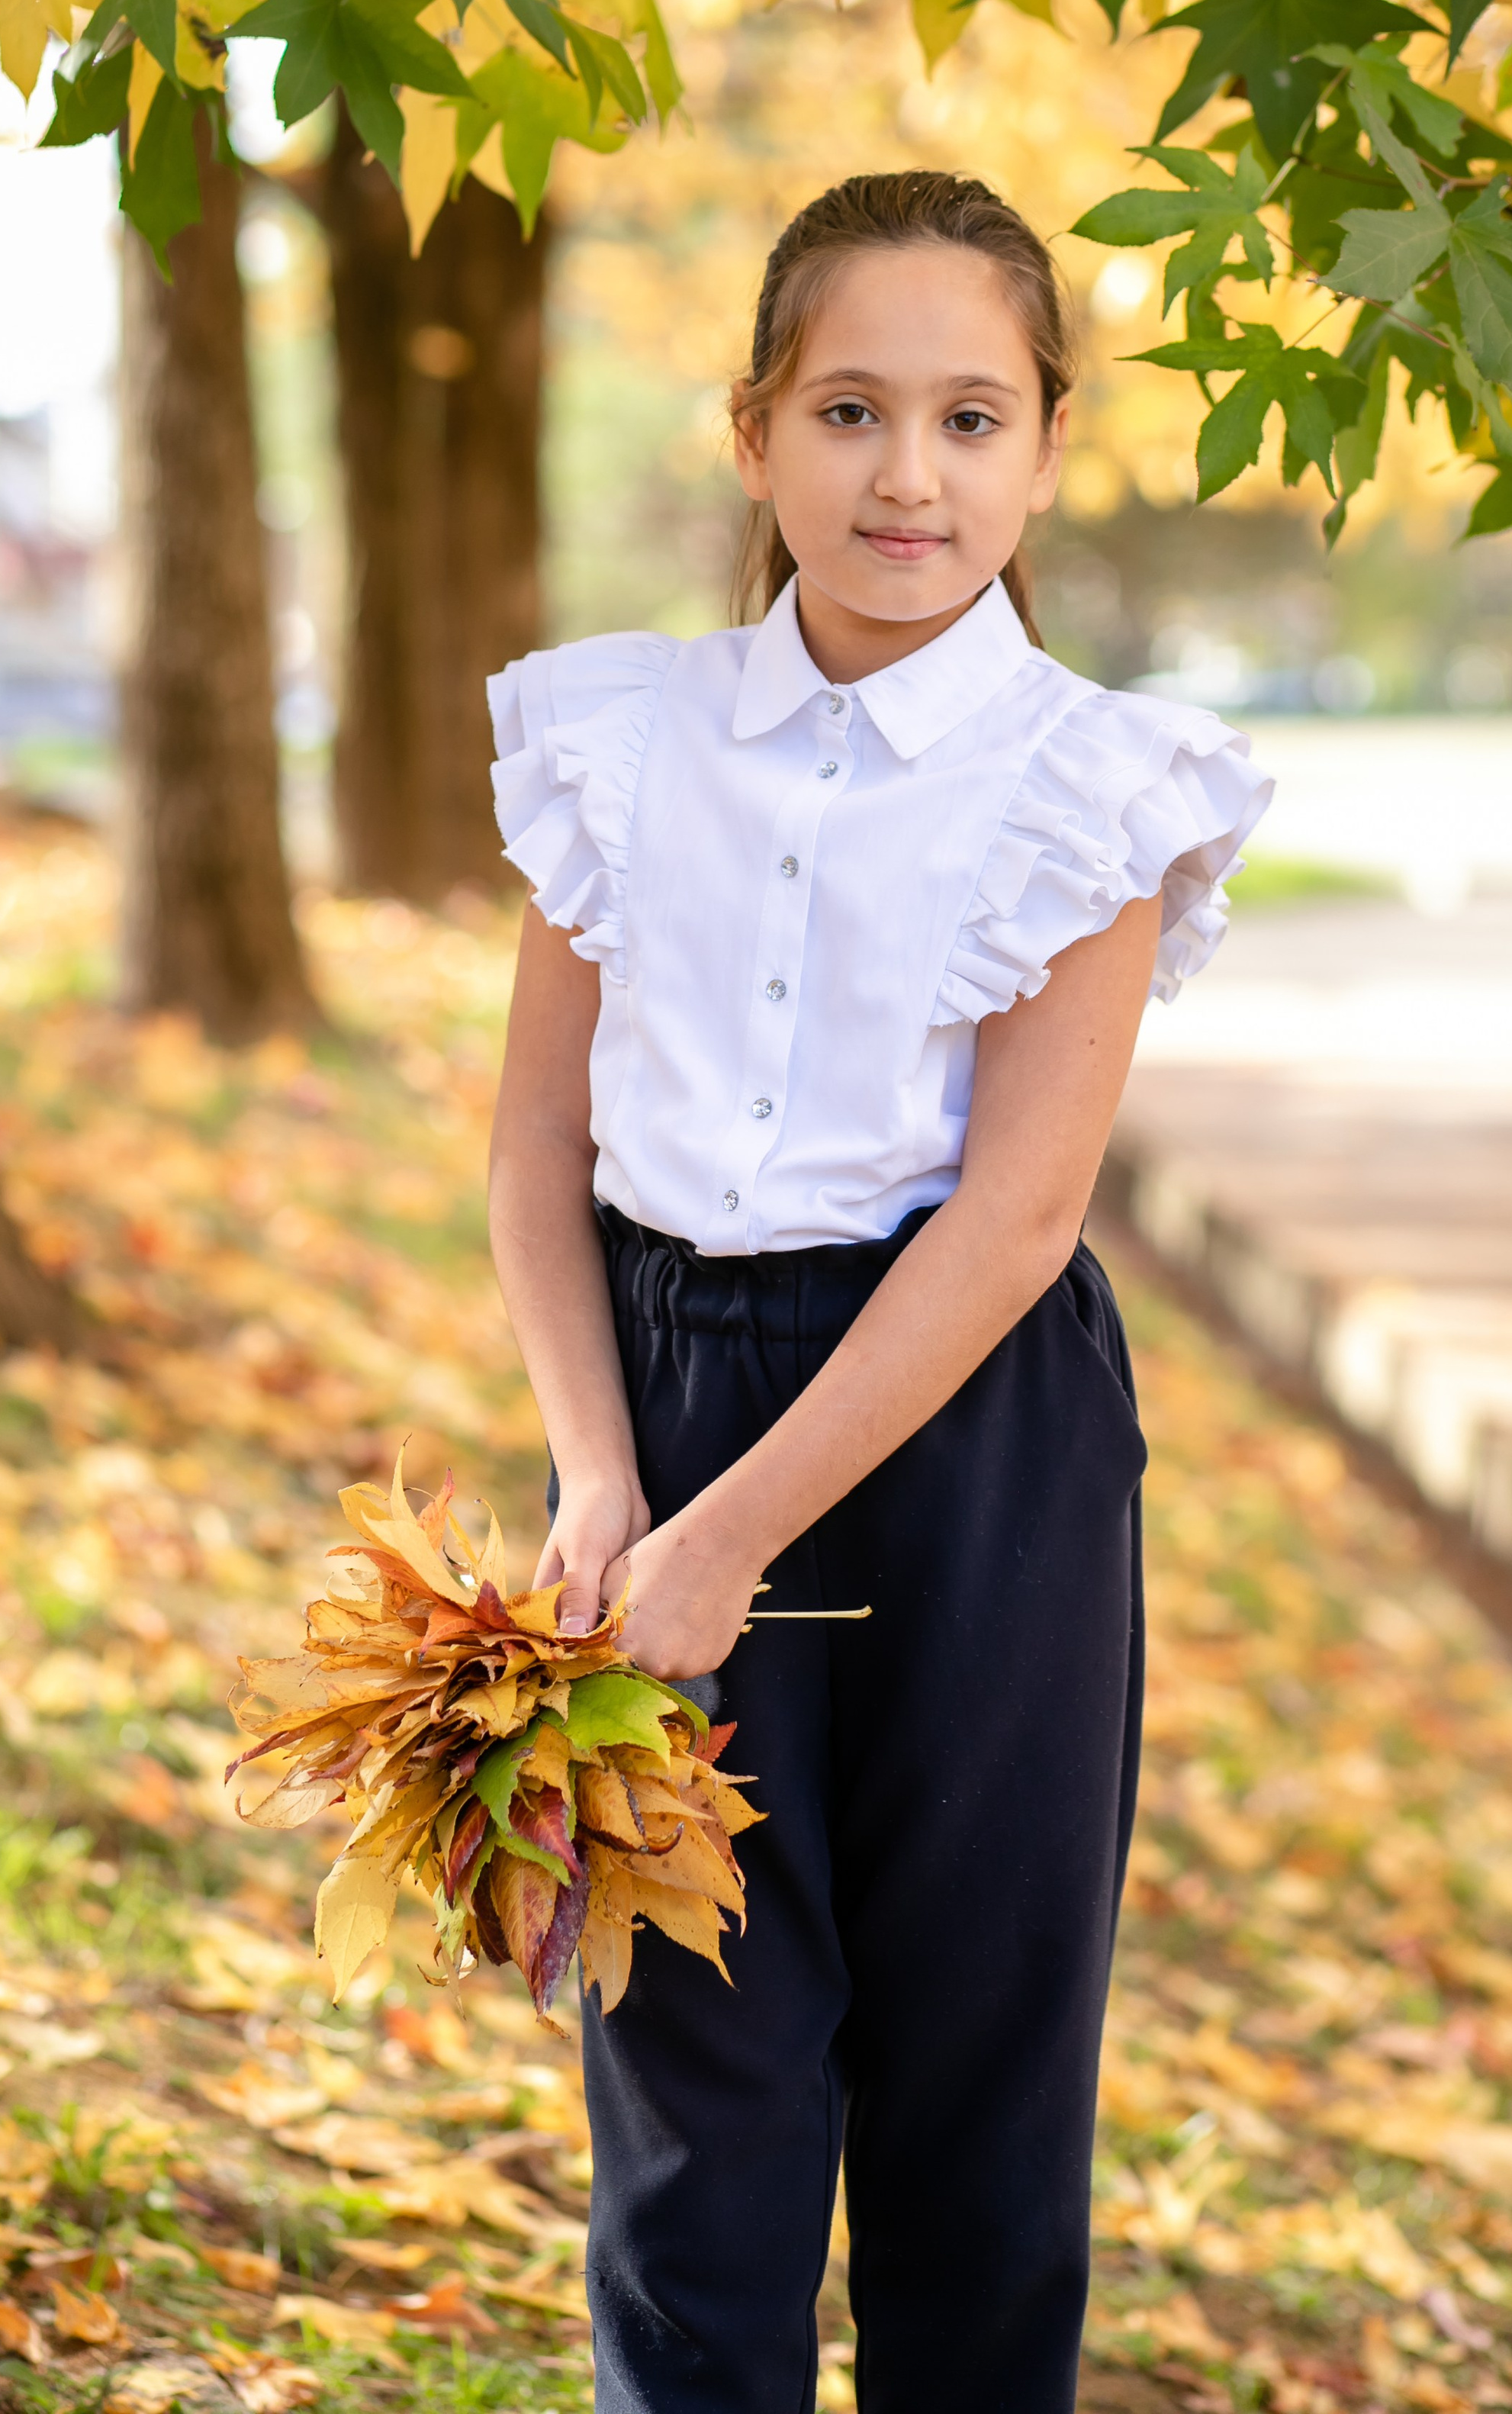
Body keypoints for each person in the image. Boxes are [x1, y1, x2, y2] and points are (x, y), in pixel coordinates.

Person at [484, 170, 1272, 2414]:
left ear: (1043, 446)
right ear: (752, 435)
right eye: (847, 409)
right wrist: (603, 1486)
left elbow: (1016, 1222)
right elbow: (540, 1152)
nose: (906, 474)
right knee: (692, 2114)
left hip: (970, 1441)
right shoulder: (616, 742)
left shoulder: (1092, 787)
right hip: (660, 1393)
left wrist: (729, 1538)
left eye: (968, 416)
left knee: (974, 2105)